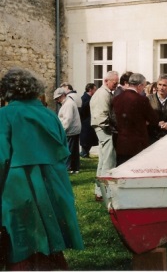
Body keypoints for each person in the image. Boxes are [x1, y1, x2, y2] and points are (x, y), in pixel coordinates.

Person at [0, 67, 84, 270]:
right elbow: (63, 147)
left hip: (18, 186)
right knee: (50, 242)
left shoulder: (5, 115)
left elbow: (1, 158)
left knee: (20, 244)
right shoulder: (50, 115)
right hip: (53, 184)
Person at [112, 73, 159, 166]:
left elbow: (114, 118)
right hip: (138, 142)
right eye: (144, 86)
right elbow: (154, 119)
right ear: (140, 85)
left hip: (121, 141)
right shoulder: (141, 100)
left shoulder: (117, 98)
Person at [90, 70, 119, 201]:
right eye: (114, 82)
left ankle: (99, 191)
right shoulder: (103, 94)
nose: (116, 85)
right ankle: (104, 191)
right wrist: (110, 128)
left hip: (101, 128)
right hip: (104, 128)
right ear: (106, 81)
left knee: (102, 160)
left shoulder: (103, 93)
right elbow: (102, 115)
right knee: (108, 160)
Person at [54, 87, 82, 174]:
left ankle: (69, 167)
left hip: (70, 130)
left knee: (69, 149)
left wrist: (61, 130)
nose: (57, 100)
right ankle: (74, 167)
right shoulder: (68, 102)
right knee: (73, 150)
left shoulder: (68, 104)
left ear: (63, 95)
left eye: (58, 98)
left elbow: (67, 119)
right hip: (73, 129)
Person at [80, 83, 98, 158]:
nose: (95, 91)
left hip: (89, 121)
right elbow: (83, 110)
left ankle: (85, 153)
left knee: (89, 139)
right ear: (90, 90)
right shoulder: (84, 98)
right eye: (94, 89)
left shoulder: (90, 98)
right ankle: (84, 153)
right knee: (86, 140)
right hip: (86, 122)